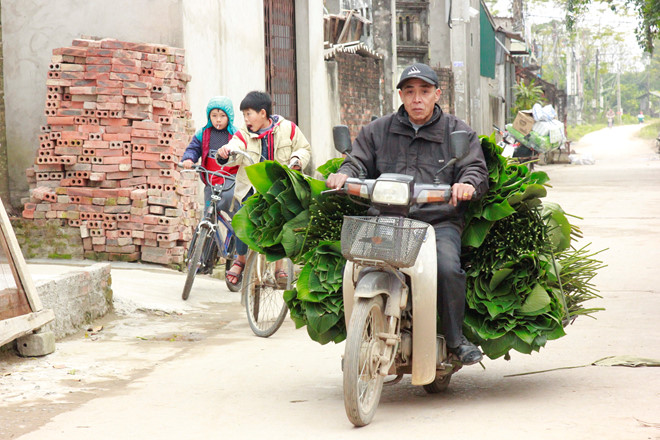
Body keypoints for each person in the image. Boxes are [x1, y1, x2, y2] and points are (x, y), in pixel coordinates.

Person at [326, 63, 489, 365]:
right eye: (410, 92)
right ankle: (360, 334)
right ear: (400, 95)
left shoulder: (458, 132)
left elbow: (474, 168)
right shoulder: (378, 130)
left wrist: (466, 184)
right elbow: (357, 162)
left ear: (437, 94)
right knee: (351, 268)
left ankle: (454, 338)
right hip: (386, 219)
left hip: (437, 221)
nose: (417, 99)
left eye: (424, 91)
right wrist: (344, 174)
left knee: (448, 268)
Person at [217, 91, 312, 286]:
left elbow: (304, 149)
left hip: (280, 189)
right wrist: (225, 152)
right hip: (251, 189)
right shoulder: (243, 133)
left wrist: (297, 160)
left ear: (263, 113)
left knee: (281, 222)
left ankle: (279, 268)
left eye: (248, 114)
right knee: (242, 218)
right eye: (243, 115)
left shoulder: (289, 129)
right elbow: (234, 147)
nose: (246, 119)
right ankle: (240, 260)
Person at [181, 96, 240, 273]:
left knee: (235, 214)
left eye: (222, 116)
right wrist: (189, 159)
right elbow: (193, 148)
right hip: (211, 180)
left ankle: (237, 243)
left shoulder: (235, 135)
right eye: (214, 116)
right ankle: (204, 261)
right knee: (208, 216)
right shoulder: (203, 133)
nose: (218, 120)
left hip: (230, 181)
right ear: (209, 117)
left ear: (229, 117)